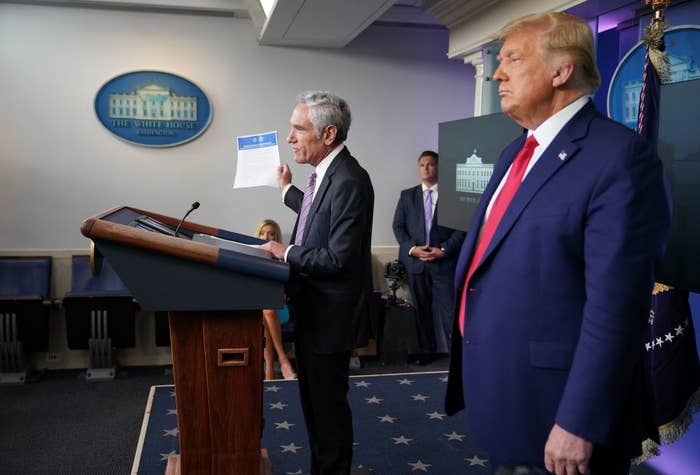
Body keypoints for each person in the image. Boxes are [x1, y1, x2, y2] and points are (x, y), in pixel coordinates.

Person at [444, 12, 671, 475]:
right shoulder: (514, 152)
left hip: (562, 413)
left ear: (561, 70)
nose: (498, 72)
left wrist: (579, 420)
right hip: (508, 393)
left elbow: (616, 305)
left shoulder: (620, 158)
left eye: (513, 58)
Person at [261, 91, 374, 475]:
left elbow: (337, 257)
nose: (290, 137)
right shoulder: (327, 175)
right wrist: (287, 191)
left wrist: (285, 251)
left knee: (328, 418)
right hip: (314, 315)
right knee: (315, 413)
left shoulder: (351, 180)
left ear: (327, 134)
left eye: (298, 129)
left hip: (330, 321)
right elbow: (316, 216)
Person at [392, 150, 465, 364]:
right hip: (416, 264)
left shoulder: (453, 195)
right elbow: (398, 226)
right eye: (422, 164)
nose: (426, 168)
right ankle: (426, 352)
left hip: (444, 263)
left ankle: (457, 357)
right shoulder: (407, 196)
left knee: (450, 312)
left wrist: (444, 249)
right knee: (421, 312)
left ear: (439, 168)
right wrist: (411, 249)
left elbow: (462, 228)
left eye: (431, 164)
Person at [255, 219, 297, 381]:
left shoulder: (282, 258)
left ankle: (274, 365)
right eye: (262, 233)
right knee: (264, 312)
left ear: (276, 237)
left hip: (281, 308)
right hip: (261, 309)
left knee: (268, 310)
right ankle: (278, 363)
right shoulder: (252, 258)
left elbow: (286, 290)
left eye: (271, 233)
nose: (266, 237)